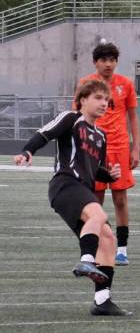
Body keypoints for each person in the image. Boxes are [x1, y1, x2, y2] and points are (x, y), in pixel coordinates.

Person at [13, 80, 132, 316]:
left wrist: (110, 174)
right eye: (98, 97)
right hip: (65, 184)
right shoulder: (70, 118)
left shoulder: (101, 135)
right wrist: (27, 150)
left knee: (107, 237)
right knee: (99, 215)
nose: (103, 103)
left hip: (82, 190)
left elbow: (94, 169)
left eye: (106, 100)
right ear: (83, 99)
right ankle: (86, 258)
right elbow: (44, 134)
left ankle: (102, 300)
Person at [76, 42, 140, 266]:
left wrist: (136, 147)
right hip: (93, 147)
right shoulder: (86, 84)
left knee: (120, 199)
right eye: (104, 60)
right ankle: (100, 246)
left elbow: (132, 117)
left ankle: (121, 249)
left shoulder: (126, 85)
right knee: (95, 201)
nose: (108, 64)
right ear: (96, 62)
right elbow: (77, 115)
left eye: (112, 60)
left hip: (120, 148)